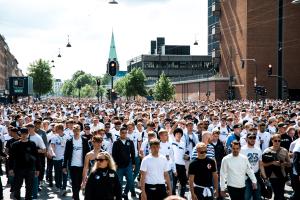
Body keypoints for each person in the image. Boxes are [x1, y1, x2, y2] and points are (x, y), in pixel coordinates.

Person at [9, 127, 41, 200]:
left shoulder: (32, 144)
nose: (24, 135)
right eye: (22, 134)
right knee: (17, 186)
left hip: (30, 169)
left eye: (25, 134)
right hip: (18, 169)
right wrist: (11, 168)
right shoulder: (15, 144)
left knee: (29, 187)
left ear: (28, 134)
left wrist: (38, 169)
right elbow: (11, 158)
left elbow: (36, 157)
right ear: (20, 134)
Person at [62, 124, 90, 200]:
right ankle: (76, 197)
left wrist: (89, 165)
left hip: (82, 166)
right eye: (75, 131)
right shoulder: (69, 141)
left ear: (80, 131)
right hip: (73, 165)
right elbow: (66, 154)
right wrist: (64, 166)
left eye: (78, 130)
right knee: (74, 183)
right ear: (73, 131)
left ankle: (75, 194)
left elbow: (88, 153)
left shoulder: (84, 140)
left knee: (79, 184)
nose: (76, 132)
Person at [263, 134, 290, 200]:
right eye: (275, 140)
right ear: (272, 141)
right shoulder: (267, 151)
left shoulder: (284, 150)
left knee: (280, 194)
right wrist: (272, 163)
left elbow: (289, 164)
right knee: (277, 194)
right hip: (272, 176)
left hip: (282, 175)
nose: (277, 142)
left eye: (279, 140)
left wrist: (283, 163)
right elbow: (262, 164)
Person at [240, 132, 267, 200]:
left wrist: (265, 177)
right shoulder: (242, 150)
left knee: (257, 196)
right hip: (245, 176)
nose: (252, 139)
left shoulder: (258, 150)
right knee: (246, 196)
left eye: (254, 138)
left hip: (256, 175)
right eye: (250, 138)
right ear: (246, 139)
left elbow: (261, 164)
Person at [112, 126, 135, 200]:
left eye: (125, 133)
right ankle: (119, 195)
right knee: (119, 183)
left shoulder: (130, 142)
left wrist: (133, 163)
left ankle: (125, 193)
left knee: (131, 181)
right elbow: (113, 154)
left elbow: (133, 153)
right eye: (122, 133)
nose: (124, 134)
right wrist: (115, 164)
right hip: (119, 166)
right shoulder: (116, 143)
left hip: (128, 164)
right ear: (120, 133)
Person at [171, 128, 188, 197]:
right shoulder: (171, 142)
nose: (178, 135)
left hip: (182, 165)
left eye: (180, 134)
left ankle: (181, 196)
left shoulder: (183, 144)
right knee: (173, 184)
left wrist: (187, 157)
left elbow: (185, 155)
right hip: (174, 165)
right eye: (177, 133)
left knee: (183, 183)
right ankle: (173, 197)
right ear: (174, 135)